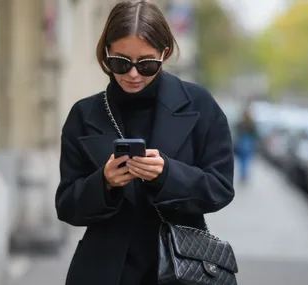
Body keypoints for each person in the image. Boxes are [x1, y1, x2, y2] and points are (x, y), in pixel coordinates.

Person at [55, 1, 235, 285]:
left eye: (147, 64)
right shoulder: (85, 114)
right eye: (121, 63)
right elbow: (66, 206)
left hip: (182, 269)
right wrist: (104, 183)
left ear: (164, 54)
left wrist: (166, 175)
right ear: (106, 52)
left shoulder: (200, 105)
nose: (133, 74)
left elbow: (221, 189)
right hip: (105, 270)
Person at [234, 108, 258, 183]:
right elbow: (254, 133)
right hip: (248, 142)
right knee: (246, 160)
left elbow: (237, 131)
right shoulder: (251, 123)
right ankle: (244, 174)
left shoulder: (242, 123)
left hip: (243, 141)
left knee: (242, 160)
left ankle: (243, 174)